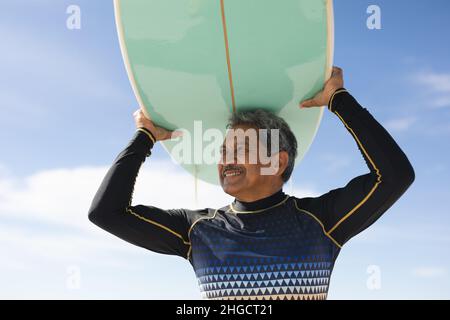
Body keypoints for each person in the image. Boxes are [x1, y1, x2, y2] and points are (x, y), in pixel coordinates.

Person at [88, 67, 415, 300]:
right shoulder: (197, 230)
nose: (226, 160)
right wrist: (145, 138)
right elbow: (106, 213)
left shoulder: (321, 221)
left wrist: (338, 100)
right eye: (223, 151)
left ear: (280, 161)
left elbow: (395, 176)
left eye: (241, 149)